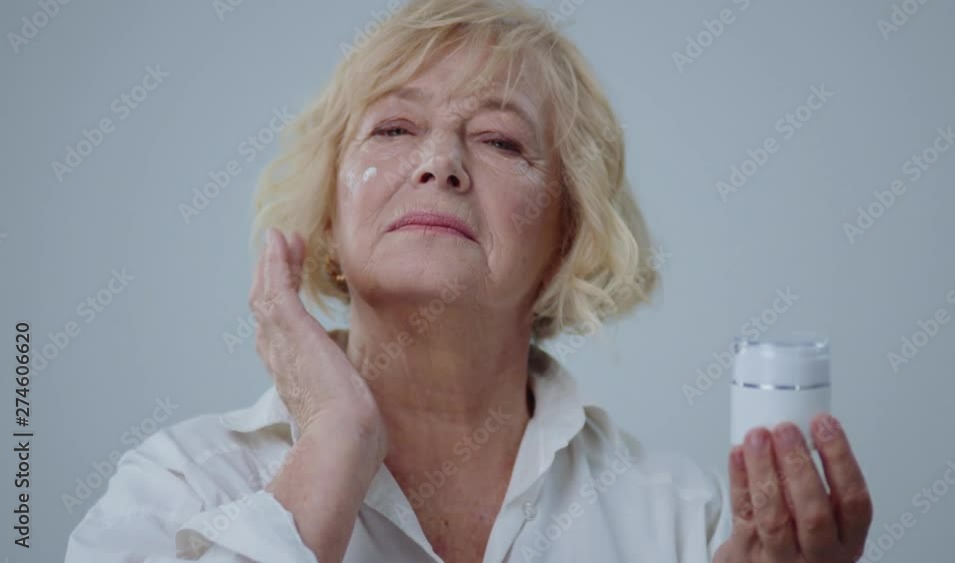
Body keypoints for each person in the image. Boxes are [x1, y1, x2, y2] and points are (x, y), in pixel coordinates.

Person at [65, 0, 873, 561]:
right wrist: (339, 438)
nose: (440, 163)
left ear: (566, 236)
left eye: (497, 140)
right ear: (330, 224)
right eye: (395, 127)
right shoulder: (180, 484)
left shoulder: (679, 519)